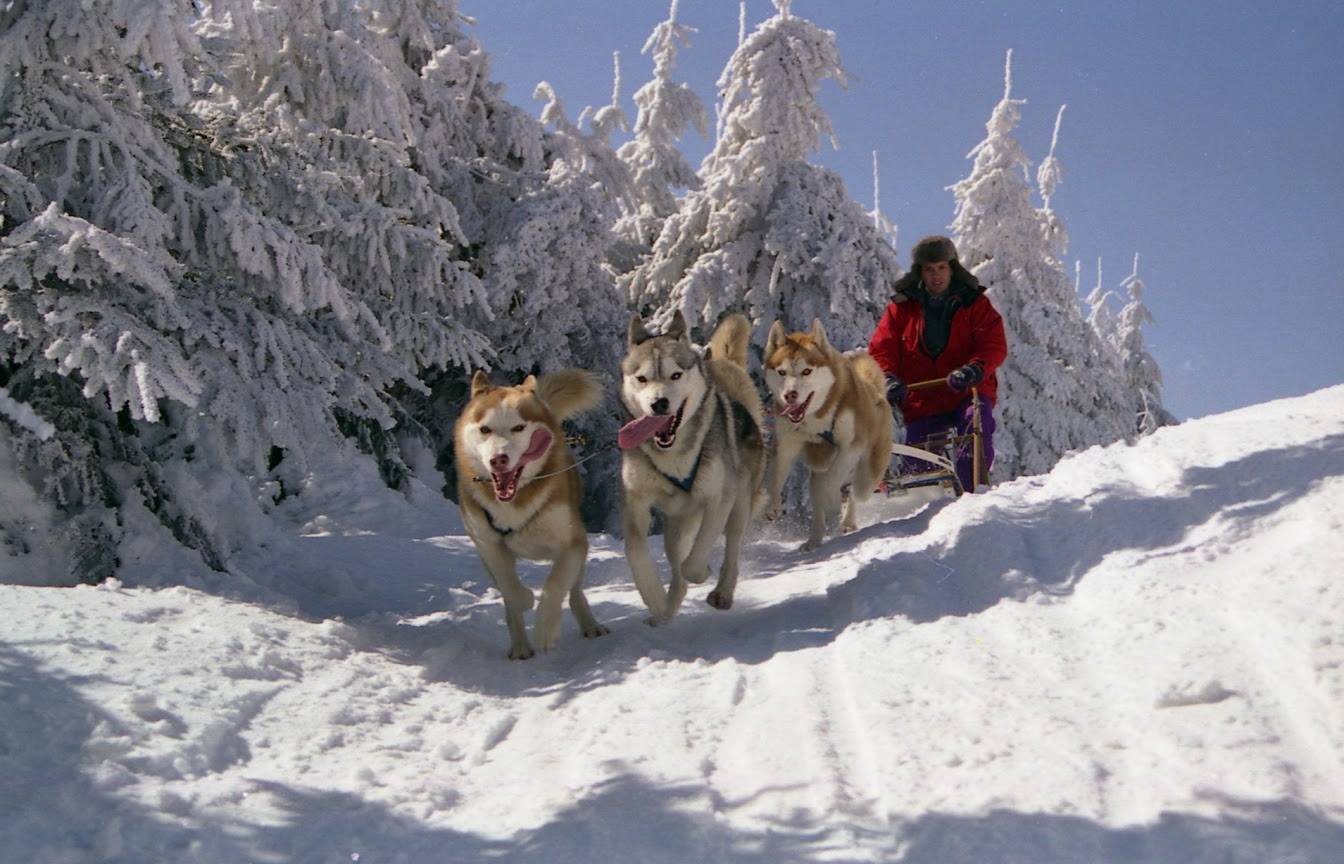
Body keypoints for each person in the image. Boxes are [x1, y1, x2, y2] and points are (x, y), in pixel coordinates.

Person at [867, 236, 1007, 491]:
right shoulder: (901, 309)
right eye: (930, 269)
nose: (936, 275)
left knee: (973, 430)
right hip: (924, 396)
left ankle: (973, 495)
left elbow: (993, 343)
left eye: (942, 267)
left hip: (966, 389)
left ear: (952, 268)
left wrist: (975, 368)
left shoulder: (974, 303)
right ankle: (919, 510)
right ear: (920, 272)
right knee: (919, 459)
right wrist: (886, 377)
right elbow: (881, 348)